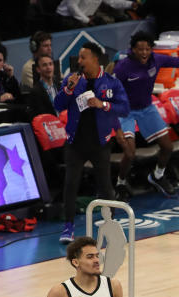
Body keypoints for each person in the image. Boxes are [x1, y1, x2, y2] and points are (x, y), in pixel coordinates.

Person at [112, 32, 179, 200]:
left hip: (147, 109)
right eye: (140, 49)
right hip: (126, 112)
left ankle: (157, 176)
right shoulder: (123, 67)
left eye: (147, 49)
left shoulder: (156, 59)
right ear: (133, 50)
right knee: (130, 153)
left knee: (167, 147)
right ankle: (121, 183)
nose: (144, 53)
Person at [52, 42, 129, 244]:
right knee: (70, 183)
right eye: (79, 58)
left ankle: (110, 221)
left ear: (95, 59)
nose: (79, 62)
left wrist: (102, 104)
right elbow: (57, 106)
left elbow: (124, 109)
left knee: (105, 184)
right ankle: (68, 227)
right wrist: (68, 90)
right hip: (75, 143)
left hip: (100, 142)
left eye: (83, 57)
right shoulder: (72, 80)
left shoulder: (111, 83)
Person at [26, 54, 59, 119]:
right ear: (38, 69)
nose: (48, 67)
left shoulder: (60, 86)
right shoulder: (35, 92)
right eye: (44, 65)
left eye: (50, 64)